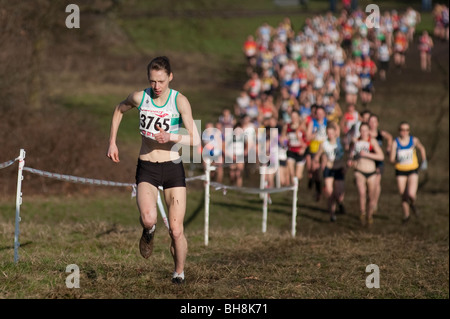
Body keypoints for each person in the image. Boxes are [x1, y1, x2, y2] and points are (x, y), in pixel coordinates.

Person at [107, 56, 200, 284]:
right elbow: (119, 110)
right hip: (147, 166)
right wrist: (112, 142)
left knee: (176, 230)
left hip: (172, 167)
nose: (156, 87)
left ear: (170, 77)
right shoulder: (140, 97)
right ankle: (148, 232)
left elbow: (196, 140)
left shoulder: (180, 101)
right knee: (149, 219)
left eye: (160, 81)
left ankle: (178, 272)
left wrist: (171, 136)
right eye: (152, 81)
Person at [389, 121, 427, 224]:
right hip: (400, 170)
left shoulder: (413, 140)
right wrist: (397, 160)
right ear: (399, 131)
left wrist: (424, 160)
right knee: (403, 195)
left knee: (411, 194)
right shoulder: (395, 142)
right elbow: (391, 159)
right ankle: (406, 215)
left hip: (412, 170)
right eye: (402, 130)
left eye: (406, 130)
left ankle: (413, 204)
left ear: (409, 131)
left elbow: (422, 148)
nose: (404, 132)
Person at [347, 122, 384, 226]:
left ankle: (369, 215)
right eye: (361, 130)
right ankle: (362, 213)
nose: (363, 132)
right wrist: (350, 160)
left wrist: (367, 154)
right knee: (362, 193)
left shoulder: (372, 141)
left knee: (371, 196)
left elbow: (381, 156)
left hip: (371, 172)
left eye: (365, 130)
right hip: (359, 171)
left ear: (369, 131)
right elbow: (351, 154)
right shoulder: (356, 141)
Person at [314, 122, 346, 222]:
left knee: (339, 194)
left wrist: (347, 163)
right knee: (329, 192)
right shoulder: (324, 144)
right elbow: (317, 155)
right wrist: (319, 161)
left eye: (332, 133)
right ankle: (332, 215)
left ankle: (340, 203)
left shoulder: (340, 142)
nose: (330, 135)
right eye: (328, 133)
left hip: (339, 168)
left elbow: (348, 152)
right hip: (328, 169)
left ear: (336, 133)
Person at [368, 114, 393, 214]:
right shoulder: (365, 133)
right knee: (370, 184)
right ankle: (370, 199)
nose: (373, 124)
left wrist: (389, 147)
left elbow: (390, 137)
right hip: (368, 161)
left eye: (374, 121)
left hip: (378, 161)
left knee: (377, 183)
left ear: (377, 123)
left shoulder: (380, 133)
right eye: (371, 121)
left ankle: (374, 202)